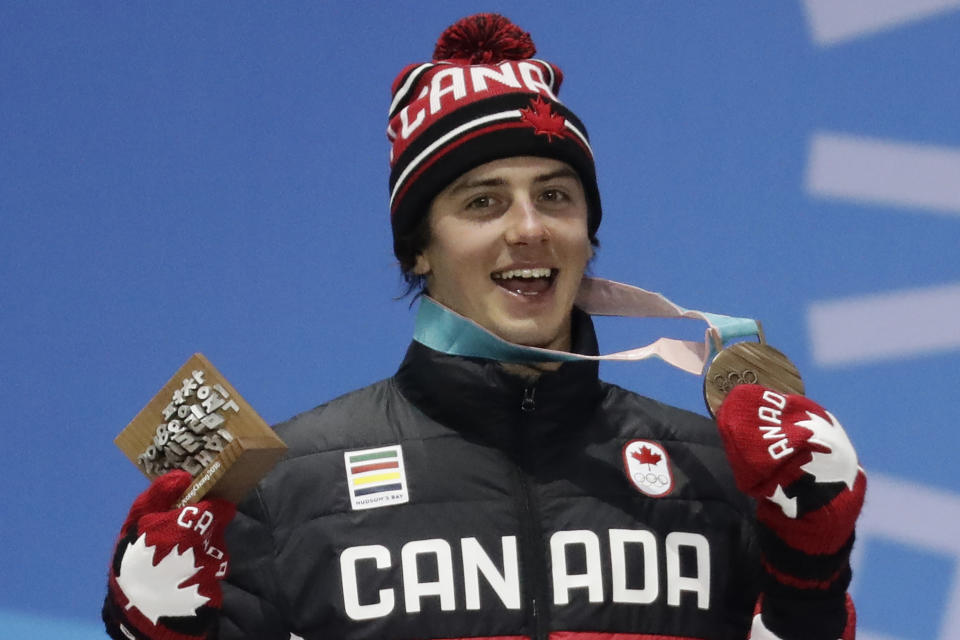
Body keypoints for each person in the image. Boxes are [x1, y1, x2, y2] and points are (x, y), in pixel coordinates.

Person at [103, 14, 865, 640]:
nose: (528, 228)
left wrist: (812, 571)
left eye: (557, 197)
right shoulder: (287, 489)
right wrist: (157, 629)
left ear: (588, 238)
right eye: (482, 202)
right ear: (418, 251)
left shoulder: (713, 472)